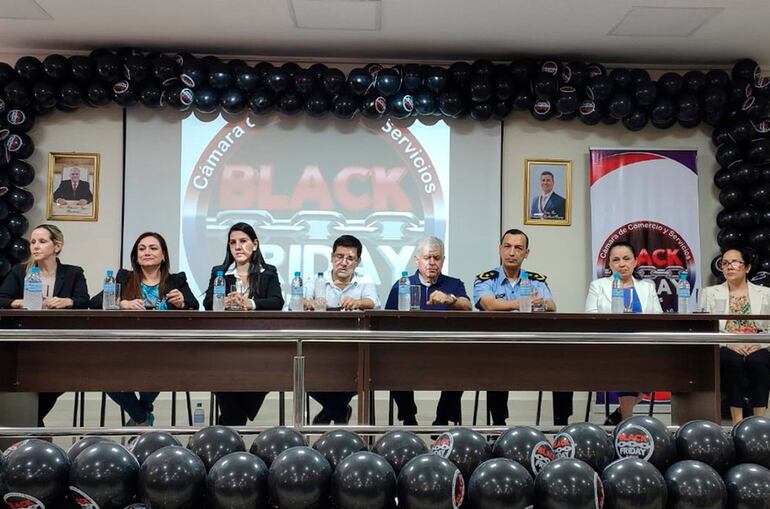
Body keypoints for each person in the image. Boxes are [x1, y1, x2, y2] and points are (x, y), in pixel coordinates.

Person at [90, 232, 199, 425]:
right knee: (105, 375)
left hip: (164, 349)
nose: (147, 252)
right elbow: (95, 302)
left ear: (163, 255)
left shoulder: (177, 280)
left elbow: (194, 304)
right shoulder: (124, 278)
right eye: (142, 249)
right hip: (128, 348)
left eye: (153, 248)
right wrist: (121, 302)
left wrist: (182, 303)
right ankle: (142, 416)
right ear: (136, 256)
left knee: (159, 368)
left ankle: (139, 417)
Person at [0, 224, 90, 425]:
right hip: (25, 343)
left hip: (58, 344)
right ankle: (32, 425)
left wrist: (69, 301)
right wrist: (18, 302)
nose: (35, 247)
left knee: (57, 380)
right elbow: (2, 298)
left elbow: (85, 300)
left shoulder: (73, 273)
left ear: (57, 246)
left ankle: (33, 422)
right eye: (32, 242)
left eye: (42, 241)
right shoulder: (19, 271)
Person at [384, 236, 472, 425]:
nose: (432, 263)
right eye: (427, 258)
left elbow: (467, 306)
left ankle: (442, 419)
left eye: (437, 258)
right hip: (409, 350)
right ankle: (408, 418)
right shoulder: (402, 284)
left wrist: (451, 300)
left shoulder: (454, 284)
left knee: (462, 365)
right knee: (394, 364)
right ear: (417, 260)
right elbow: (386, 321)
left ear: (443, 260)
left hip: (445, 350)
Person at [203, 222, 284, 425]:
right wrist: (222, 302)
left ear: (255, 244)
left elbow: (277, 302)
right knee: (226, 385)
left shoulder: (268, 272)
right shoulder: (220, 272)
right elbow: (207, 303)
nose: (237, 247)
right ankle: (232, 427)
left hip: (258, 345)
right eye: (232, 243)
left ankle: (229, 426)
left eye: (243, 241)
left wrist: (251, 303)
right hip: (226, 345)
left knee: (263, 377)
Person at [474, 228, 556, 425]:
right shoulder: (486, 279)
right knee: (496, 366)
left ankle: (562, 423)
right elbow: (488, 304)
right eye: (507, 247)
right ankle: (499, 424)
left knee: (563, 369)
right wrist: (522, 303)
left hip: (532, 347)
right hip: (497, 346)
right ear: (500, 249)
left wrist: (541, 304)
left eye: (518, 248)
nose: (512, 253)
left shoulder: (536, 280)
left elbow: (551, 306)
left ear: (526, 253)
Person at [584, 240, 662, 424]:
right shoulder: (598, 285)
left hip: (644, 346)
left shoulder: (647, 287)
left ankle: (620, 414)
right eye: (616, 260)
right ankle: (628, 422)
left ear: (635, 261)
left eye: (627, 259)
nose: (622, 264)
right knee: (627, 361)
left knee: (661, 365)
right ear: (609, 264)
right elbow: (590, 316)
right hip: (611, 345)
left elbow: (659, 317)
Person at [305, 234, 380, 424]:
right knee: (304, 374)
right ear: (331, 257)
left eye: (350, 258)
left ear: (358, 261)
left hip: (352, 350)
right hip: (319, 349)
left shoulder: (365, 280)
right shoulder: (315, 280)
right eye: (339, 257)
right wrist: (311, 303)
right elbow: (295, 302)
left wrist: (357, 302)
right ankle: (338, 411)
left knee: (359, 375)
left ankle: (331, 411)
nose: (344, 262)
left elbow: (373, 302)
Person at [702, 247, 770, 424]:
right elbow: (706, 327)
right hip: (726, 344)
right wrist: (728, 343)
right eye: (725, 263)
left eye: (734, 262)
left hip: (757, 343)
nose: (729, 267)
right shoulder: (709, 293)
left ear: (747, 268)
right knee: (732, 361)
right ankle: (737, 422)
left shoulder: (765, 294)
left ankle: (759, 421)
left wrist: (760, 344)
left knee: (759, 362)